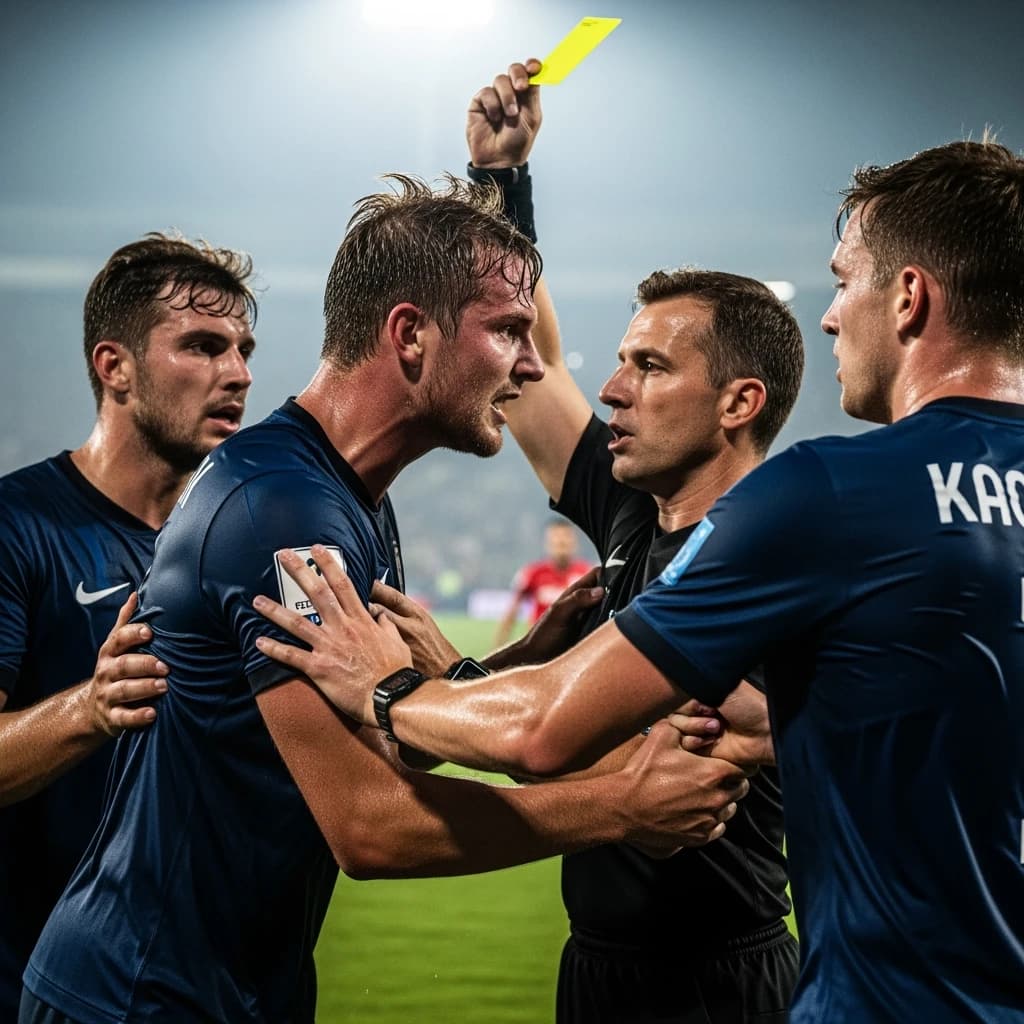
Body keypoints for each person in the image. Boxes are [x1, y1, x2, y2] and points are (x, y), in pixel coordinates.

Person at [253, 136, 1024, 1023]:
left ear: (911, 295)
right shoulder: (636, 512)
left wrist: (392, 689)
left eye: (845, 280)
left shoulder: (832, 502)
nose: (830, 313)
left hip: (813, 988)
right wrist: (502, 185)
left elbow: (554, 732)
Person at [19, 176, 751, 1024]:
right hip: (141, 994)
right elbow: (370, 825)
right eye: (508, 330)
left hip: (232, 986)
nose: (530, 364)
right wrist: (617, 804)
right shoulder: (281, 512)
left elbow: (386, 737)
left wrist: (501, 668)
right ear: (410, 335)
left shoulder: (352, 497)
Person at [0, 232, 258, 1020]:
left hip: (207, 983)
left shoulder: (237, 543)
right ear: (115, 367)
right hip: (41, 985)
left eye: (244, 349)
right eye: (203, 346)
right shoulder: (19, 527)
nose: (239, 374)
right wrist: (92, 706)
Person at [493, 518, 592, 646]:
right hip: (539, 647)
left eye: (566, 537)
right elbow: (511, 613)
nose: (561, 541)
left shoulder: (588, 573)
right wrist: (498, 649)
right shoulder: (532, 573)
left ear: (575, 542)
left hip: (574, 647)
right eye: (556, 538)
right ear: (547, 543)